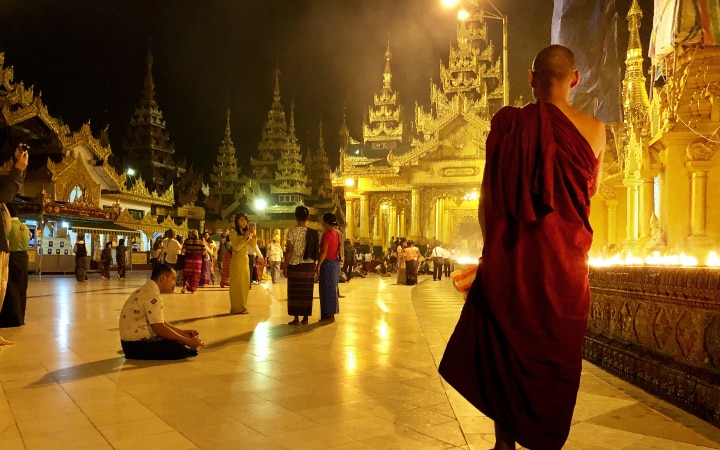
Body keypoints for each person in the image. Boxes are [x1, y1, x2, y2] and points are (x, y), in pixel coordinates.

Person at [439, 45, 606, 450]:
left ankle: (504, 443)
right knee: (555, 357)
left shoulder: (508, 123)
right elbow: (591, 192)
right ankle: (546, 439)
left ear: (530, 79)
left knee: (503, 348)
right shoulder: (595, 129)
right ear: (575, 79)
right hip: (565, 270)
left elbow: (488, 199)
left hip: (511, 260)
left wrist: (492, 250)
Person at [119, 263, 204, 359]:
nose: (174, 283)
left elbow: (160, 322)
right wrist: (186, 341)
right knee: (177, 347)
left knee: (175, 340)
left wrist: (182, 333)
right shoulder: (153, 295)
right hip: (136, 346)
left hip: (129, 345)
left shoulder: (148, 289)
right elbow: (159, 329)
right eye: (173, 279)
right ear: (162, 279)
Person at [0, 143, 27, 345]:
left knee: (2, 289)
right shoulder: (24, 229)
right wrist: (18, 168)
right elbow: (5, 193)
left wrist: (19, 168)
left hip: (5, 249)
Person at [284, 205, 318, 325]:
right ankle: (305, 318)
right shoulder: (313, 233)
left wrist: (285, 266)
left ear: (296, 217)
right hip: (308, 266)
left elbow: (289, 250)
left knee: (295, 292)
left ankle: (296, 318)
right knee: (306, 292)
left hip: (295, 265)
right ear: (307, 217)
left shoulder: (292, 232)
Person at [0, 205, 30, 327]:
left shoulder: (6, 227)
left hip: (11, 259)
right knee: (21, 289)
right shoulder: (25, 228)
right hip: (23, 260)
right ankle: (20, 318)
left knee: (9, 290)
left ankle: (10, 319)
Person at [316, 212, 340, 322]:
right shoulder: (338, 233)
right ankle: (330, 313)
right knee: (332, 289)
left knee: (326, 290)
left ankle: (327, 314)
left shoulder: (327, 234)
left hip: (327, 263)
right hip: (335, 264)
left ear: (325, 222)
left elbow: (324, 252)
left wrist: (318, 265)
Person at [229, 213, 254, 314]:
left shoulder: (245, 233)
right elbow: (237, 247)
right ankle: (236, 308)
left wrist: (253, 236)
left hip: (245, 260)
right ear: (237, 221)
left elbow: (252, 245)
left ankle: (243, 306)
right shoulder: (233, 233)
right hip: (237, 262)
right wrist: (244, 238)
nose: (244, 222)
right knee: (237, 285)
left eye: (245, 220)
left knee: (245, 284)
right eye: (242, 220)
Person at [180, 229, 205, 294]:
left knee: (187, 274)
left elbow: (183, 251)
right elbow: (204, 252)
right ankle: (192, 289)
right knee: (195, 274)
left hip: (188, 259)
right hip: (197, 260)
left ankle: (185, 285)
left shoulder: (187, 241)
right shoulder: (200, 241)